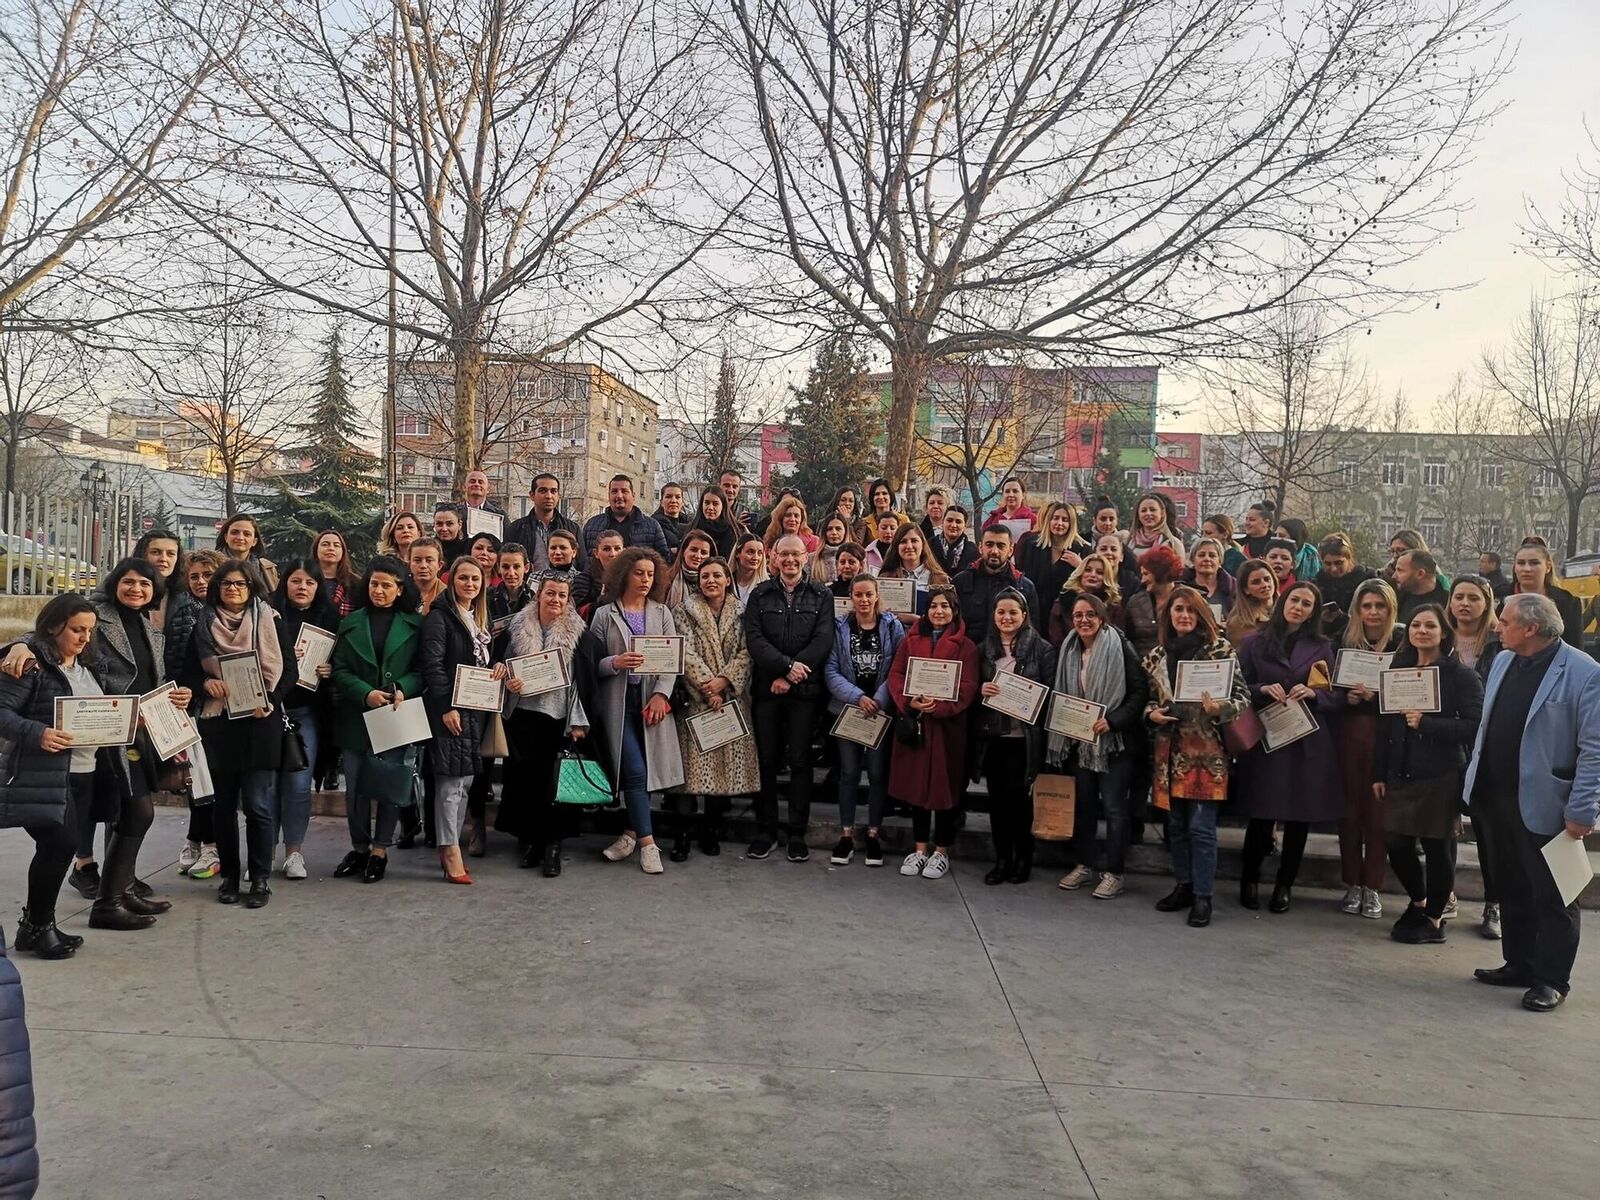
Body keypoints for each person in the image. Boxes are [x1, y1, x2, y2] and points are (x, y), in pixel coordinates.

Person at [1462, 593, 1599, 1011]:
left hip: (1549, 804)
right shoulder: (1504, 660)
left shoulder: (1585, 672)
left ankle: (1551, 980)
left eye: (1505, 621)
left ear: (1531, 628)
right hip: (1495, 797)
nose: (1497, 626)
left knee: (1555, 896)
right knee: (1512, 886)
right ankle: (1519, 964)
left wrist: (1582, 810)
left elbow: (1594, 749)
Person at [180, 558, 297, 908]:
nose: (233, 589)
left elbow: (289, 671)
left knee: (259, 806)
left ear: (251, 587)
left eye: (240, 584)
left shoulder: (271, 619)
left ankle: (259, 878)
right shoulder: (203, 623)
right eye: (226, 584)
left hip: (260, 722)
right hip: (219, 725)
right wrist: (206, 683)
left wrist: (270, 700)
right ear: (217, 588)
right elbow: (188, 672)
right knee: (223, 807)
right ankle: (230, 877)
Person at [0, 596, 109, 955]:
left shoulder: (87, 665)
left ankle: (36, 927)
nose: (85, 638)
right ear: (52, 627)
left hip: (83, 771)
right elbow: (2, 713)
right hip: (43, 775)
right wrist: (39, 733)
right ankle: (37, 927)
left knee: (57, 848)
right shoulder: (30, 664)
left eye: (89, 631)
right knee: (60, 844)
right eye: (77, 630)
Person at [1141, 586, 1252, 928]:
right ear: (1169, 615)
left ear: (1201, 614)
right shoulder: (1156, 655)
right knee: (1175, 827)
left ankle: (1204, 896)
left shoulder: (1220, 650)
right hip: (1169, 753)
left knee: (1201, 828)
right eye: (1178, 610)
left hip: (1206, 753)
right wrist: (1151, 714)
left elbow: (1242, 696)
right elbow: (1149, 698)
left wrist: (1220, 708)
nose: (1184, 616)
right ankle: (1184, 886)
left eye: (1191, 610)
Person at [1376, 605, 1484, 945]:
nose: (1422, 631)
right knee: (1396, 843)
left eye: (1430, 626)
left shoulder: (1461, 675)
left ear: (1444, 632)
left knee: (1439, 847)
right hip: (1400, 772)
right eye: (1416, 625)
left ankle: (1435, 919)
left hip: (1441, 773)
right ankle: (1419, 901)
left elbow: (1475, 725)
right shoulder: (1398, 670)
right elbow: (1385, 726)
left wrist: (1427, 724)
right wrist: (1379, 772)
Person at [1235, 582, 1345, 913]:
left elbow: (1334, 694)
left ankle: (1285, 885)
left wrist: (1314, 693)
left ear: (1313, 612)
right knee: (1261, 814)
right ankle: (1249, 879)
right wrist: (1261, 688)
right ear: (1283, 601)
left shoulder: (1322, 647)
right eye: (1294, 600)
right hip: (1268, 738)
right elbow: (1237, 685)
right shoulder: (1254, 642)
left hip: (1305, 740)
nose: (1298, 607)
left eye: (1306, 604)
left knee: (1300, 818)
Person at [590, 547, 685, 874]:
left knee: (643, 774)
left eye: (650, 574)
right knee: (634, 771)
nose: (645, 579)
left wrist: (661, 695)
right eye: (639, 573)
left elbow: (671, 661)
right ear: (624, 575)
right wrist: (615, 662)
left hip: (650, 704)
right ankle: (648, 843)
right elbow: (592, 664)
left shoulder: (662, 613)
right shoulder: (605, 614)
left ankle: (630, 835)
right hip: (617, 704)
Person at [330, 556, 424, 884]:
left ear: (400, 590)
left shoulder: (415, 624)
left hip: (395, 715)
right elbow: (339, 669)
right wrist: (364, 692)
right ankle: (359, 847)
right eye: (374, 584)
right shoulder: (351, 622)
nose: (378, 591)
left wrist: (403, 687)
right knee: (355, 789)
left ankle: (380, 850)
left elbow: (422, 670)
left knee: (388, 785)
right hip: (357, 717)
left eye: (386, 585)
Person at [743, 533, 836, 861]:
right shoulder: (760, 594)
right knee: (767, 761)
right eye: (784, 554)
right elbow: (754, 639)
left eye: (796, 554)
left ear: (805, 558)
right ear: (774, 557)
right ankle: (766, 830)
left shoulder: (822, 595)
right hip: (768, 690)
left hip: (804, 693)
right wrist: (784, 668)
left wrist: (792, 674)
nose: (790, 560)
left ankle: (797, 833)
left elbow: (823, 639)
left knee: (799, 762)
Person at [1050, 593, 1149, 899]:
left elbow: (1139, 692)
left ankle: (1114, 873)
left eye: (1090, 614)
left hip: (1114, 743)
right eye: (1078, 615)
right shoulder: (1068, 648)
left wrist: (1113, 721)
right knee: (1085, 806)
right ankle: (1084, 865)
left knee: (1115, 808)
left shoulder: (1120, 645)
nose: (1084, 620)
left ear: (1102, 617)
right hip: (1080, 740)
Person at [498, 574, 595, 875]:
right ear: (539, 594)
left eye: (562, 595)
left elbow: (581, 681)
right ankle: (531, 841)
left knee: (554, 785)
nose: (556, 599)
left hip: (558, 718)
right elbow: (503, 667)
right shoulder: (518, 627)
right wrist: (509, 682)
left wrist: (577, 722)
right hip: (523, 715)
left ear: (568, 600)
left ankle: (553, 845)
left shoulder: (577, 632)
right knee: (525, 781)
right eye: (550, 593)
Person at [669, 556, 759, 861]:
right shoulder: (683, 611)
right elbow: (685, 652)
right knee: (690, 776)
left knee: (722, 772)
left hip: (730, 701)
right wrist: (709, 688)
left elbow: (747, 652)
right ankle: (682, 836)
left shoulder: (742, 612)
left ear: (727, 579)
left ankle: (711, 830)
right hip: (696, 702)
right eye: (705, 576)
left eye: (716, 575)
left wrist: (726, 682)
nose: (711, 581)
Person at [888, 587, 979, 879]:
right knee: (917, 790)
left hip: (947, 729)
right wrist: (909, 702)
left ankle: (941, 851)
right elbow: (897, 674)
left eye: (945, 606)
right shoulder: (910, 640)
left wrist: (939, 707)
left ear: (955, 610)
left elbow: (967, 686)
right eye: (933, 606)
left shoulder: (966, 646)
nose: (939, 611)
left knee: (945, 790)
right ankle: (919, 850)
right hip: (917, 726)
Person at [421, 556, 502, 884]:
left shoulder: (479, 617)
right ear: (451, 581)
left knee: (465, 782)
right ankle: (450, 849)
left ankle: (450, 843)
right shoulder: (439, 618)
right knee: (450, 784)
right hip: (452, 710)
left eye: (475, 579)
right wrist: (445, 707)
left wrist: (498, 667)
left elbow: (482, 659)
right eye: (463, 578)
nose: (470, 584)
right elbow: (432, 665)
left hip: (476, 709)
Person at [824, 575, 905, 868]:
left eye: (869, 594)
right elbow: (831, 670)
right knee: (848, 773)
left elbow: (899, 666)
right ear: (851, 597)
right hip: (849, 710)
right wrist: (858, 697)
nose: (864, 600)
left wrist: (879, 699)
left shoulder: (892, 626)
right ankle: (846, 834)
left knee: (878, 774)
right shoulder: (839, 627)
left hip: (880, 712)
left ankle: (873, 833)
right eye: (858, 594)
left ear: (877, 595)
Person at [1335, 578, 1404, 920]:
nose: (1374, 612)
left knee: (1378, 813)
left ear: (1391, 609)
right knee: (1349, 811)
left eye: (1380, 606)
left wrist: (1378, 698)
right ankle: (1352, 882)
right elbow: (1328, 690)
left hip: (1387, 736)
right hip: (1349, 734)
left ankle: (1373, 885)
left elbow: (1411, 690)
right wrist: (1346, 698)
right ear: (1357, 610)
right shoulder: (1343, 641)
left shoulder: (1403, 642)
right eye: (1367, 606)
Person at [978, 588, 1056, 884]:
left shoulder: (1042, 649)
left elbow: (1051, 694)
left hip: (1025, 739)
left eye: (1013, 612)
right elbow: (971, 688)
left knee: (1021, 802)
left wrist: (1031, 700)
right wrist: (981, 690)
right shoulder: (984, 649)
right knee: (997, 801)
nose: (1007, 617)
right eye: (1001, 612)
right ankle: (1002, 859)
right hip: (994, 737)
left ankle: (1023, 858)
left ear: (1024, 615)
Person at [270, 560, 339, 882]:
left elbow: (343, 660)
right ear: (285, 583)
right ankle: (263, 853)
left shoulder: (329, 618)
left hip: (307, 712)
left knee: (299, 785)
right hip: (270, 712)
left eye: (310, 582)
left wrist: (331, 669)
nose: (302, 587)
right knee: (267, 787)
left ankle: (293, 853)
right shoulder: (268, 616)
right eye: (296, 580)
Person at [1446, 574, 1504, 939]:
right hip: (1444, 743)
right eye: (1459, 597)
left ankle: (1494, 903)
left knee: (1488, 831)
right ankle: (1443, 894)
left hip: (1488, 747)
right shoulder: (1438, 638)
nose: (1465, 604)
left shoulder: (1501, 644)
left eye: (1473, 598)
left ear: (1487, 604)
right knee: (1443, 826)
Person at [170, 550, 224, 879]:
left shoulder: (232, 612)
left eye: (208, 575)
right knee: (196, 777)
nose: (201, 581)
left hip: (222, 707)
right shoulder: (182, 612)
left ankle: (208, 843)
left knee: (211, 777)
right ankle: (199, 839)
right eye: (194, 577)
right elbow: (181, 663)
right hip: (187, 703)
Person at [953, 525, 1039, 647]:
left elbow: (1032, 631)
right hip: (967, 651)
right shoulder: (961, 581)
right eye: (989, 545)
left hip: (1008, 654)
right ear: (980, 547)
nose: (994, 551)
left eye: (1001, 546)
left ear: (1010, 550)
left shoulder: (1023, 587)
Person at [1014, 502, 1087, 622]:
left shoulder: (1081, 549)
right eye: (1055, 518)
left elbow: (1088, 584)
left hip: (1066, 615)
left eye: (1065, 520)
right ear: (1048, 520)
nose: (1059, 523)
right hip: (1035, 611)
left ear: (1071, 523)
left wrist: (1080, 566)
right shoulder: (1032, 545)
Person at [1509, 541, 1583, 650]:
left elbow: (1575, 647)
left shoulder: (1568, 602)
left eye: (1534, 563)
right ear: (1515, 567)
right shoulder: (1499, 598)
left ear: (1548, 567)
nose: (1527, 569)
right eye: (1521, 563)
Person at [505, 473, 586, 571]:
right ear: (532, 495)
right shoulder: (516, 529)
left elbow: (582, 564)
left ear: (558, 496)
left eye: (553, 491)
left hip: (565, 580)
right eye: (543, 491)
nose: (549, 496)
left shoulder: (572, 528)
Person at [877, 522, 949, 621]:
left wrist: (918, 620)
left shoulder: (940, 579)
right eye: (903, 541)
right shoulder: (885, 578)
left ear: (922, 544)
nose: (909, 546)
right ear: (897, 546)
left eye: (914, 540)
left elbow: (948, 617)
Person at [1047, 552, 1125, 645]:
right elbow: (1056, 638)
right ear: (1080, 573)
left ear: (1106, 577)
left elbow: (1117, 638)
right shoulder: (1062, 602)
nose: (1093, 575)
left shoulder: (1113, 604)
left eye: (1099, 572)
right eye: (1088, 570)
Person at [583, 475, 669, 557]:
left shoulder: (652, 526)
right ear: (608, 495)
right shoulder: (592, 526)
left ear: (633, 495)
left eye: (624, 491)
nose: (619, 496)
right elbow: (583, 560)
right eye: (614, 491)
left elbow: (663, 559)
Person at [1122, 544, 1182, 658]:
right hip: (1143, 666)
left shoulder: (1189, 599)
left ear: (1160, 572)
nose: (1142, 580)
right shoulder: (1135, 602)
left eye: (1146, 574)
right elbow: (1129, 640)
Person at [1312, 533, 1375, 641]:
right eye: (1327, 564)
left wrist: (1342, 618)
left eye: (1338, 563)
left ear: (1349, 558)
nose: (1333, 569)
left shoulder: (1367, 580)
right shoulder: (1318, 583)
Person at [132, 529, 186, 633]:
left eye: (170, 554)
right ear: (143, 554)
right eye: (155, 552)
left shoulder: (185, 598)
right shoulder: (121, 592)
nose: (163, 559)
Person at [660, 529, 716, 616]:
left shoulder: (716, 584)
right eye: (693, 550)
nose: (698, 556)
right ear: (683, 552)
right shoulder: (665, 580)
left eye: (704, 552)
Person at [216, 514, 278, 590]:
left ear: (254, 541)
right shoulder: (212, 565)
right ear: (226, 537)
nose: (240, 538)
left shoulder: (267, 568)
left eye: (247, 534)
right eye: (234, 532)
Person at [1224, 559, 1277, 648]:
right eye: (1256, 582)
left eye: (1267, 579)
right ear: (1246, 589)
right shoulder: (1239, 622)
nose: (1264, 585)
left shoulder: (1287, 609)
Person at [1182, 537, 1237, 618]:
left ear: (1220, 561)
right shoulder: (1182, 587)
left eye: (1212, 555)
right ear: (1193, 560)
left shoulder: (1234, 588)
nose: (1207, 559)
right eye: (1201, 555)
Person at [1393, 548, 1450, 626]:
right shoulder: (1396, 598)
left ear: (1420, 574)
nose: (1394, 576)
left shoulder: (1449, 603)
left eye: (1400, 570)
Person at [312, 530, 360, 618]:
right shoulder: (305, 579)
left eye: (336, 545)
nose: (331, 548)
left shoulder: (355, 583)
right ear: (316, 549)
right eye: (325, 544)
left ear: (343, 551)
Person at [1125, 492, 1185, 563]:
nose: (1148, 513)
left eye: (1153, 510)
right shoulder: (1128, 542)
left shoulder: (1174, 543)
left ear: (1162, 513)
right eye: (1143, 510)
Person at [761, 495, 821, 563]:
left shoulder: (814, 542)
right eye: (788, 515)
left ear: (802, 519)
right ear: (780, 518)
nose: (792, 519)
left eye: (796, 516)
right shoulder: (769, 541)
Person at [568, 528, 614, 614]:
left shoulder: (630, 579)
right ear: (596, 553)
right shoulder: (583, 580)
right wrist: (601, 601)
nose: (612, 554)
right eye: (606, 549)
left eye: (617, 549)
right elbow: (576, 613)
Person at [982, 477, 1036, 544]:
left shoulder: (1033, 520)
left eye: (1015, 491)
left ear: (1023, 495)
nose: (1011, 495)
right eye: (1007, 491)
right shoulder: (992, 519)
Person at [689, 488, 738, 559]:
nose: (710, 508)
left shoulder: (731, 532)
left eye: (715, 504)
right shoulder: (692, 528)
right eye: (707, 503)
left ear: (723, 506)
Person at [933, 505, 979, 577]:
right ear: (942, 522)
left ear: (965, 526)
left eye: (958, 522)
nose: (953, 525)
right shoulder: (929, 545)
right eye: (949, 520)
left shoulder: (973, 551)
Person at [1095, 531, 1142, 600]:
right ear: (1095, 554)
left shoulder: (1132, 581)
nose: (1108, 552)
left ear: (1121, 557)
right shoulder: (1088, 578)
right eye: (1103, 549)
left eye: (1113, 549)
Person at [407, 537, 447, 616]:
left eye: (429, 560)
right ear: (409, 564)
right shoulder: (399, 592)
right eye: (417, 560)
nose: (423, 565)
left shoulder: (447, 596)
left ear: (439, 565)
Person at [811, 514, 851, 584]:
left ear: (845, 531)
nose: (834, 532)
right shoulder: (811, 559)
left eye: (838, 529)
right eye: (829, 529)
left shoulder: (857, 557)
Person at [651, 482, 689, 556]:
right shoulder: (652, 525)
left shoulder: (690, 525)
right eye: (668, 497)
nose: (673, 501)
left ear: (682, 502)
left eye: (677, 497)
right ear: (661, 502)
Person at [731, 533, 768, 604]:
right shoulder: (726, 582)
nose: (756, 558)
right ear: (737, 553)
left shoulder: (767, 586)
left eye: (760, 553)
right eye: (750, 552)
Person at [718, 469, 754, 534]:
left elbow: (752, 538)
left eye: (734, 487)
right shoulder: (712, 510)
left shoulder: (746, 512)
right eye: (726, 485)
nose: (730, 490)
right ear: (719, 485)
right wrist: (736, 526)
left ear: (739, 488)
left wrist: (743, 528)